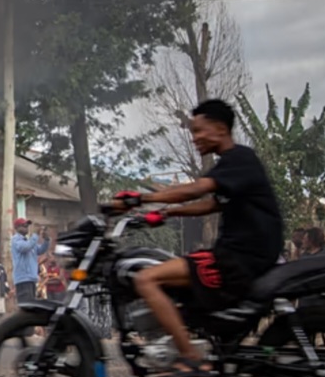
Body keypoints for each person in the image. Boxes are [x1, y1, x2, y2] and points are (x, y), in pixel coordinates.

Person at [113, 99, 284, 376]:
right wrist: (168, 214)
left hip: (240, 258)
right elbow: (212, 203)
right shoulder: (232, 164)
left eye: (198, 131)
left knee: (146, 278)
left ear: (219, 129)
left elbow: (197, 190)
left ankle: (192, 358)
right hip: (238, 254)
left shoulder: (239, 159)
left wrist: (140, 199)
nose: (194, 139)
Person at [10, 218, 49, 305]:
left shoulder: (28, 241)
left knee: (31, 305)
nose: (26, 228)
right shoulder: (16, 239)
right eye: (24, 226)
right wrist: (35, 235)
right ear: (17, 227)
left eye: (27, 226)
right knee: (26, 305)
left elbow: (40, 250)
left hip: (31, 278)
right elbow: (25, 248)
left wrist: (46, 239)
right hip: (23, 279)